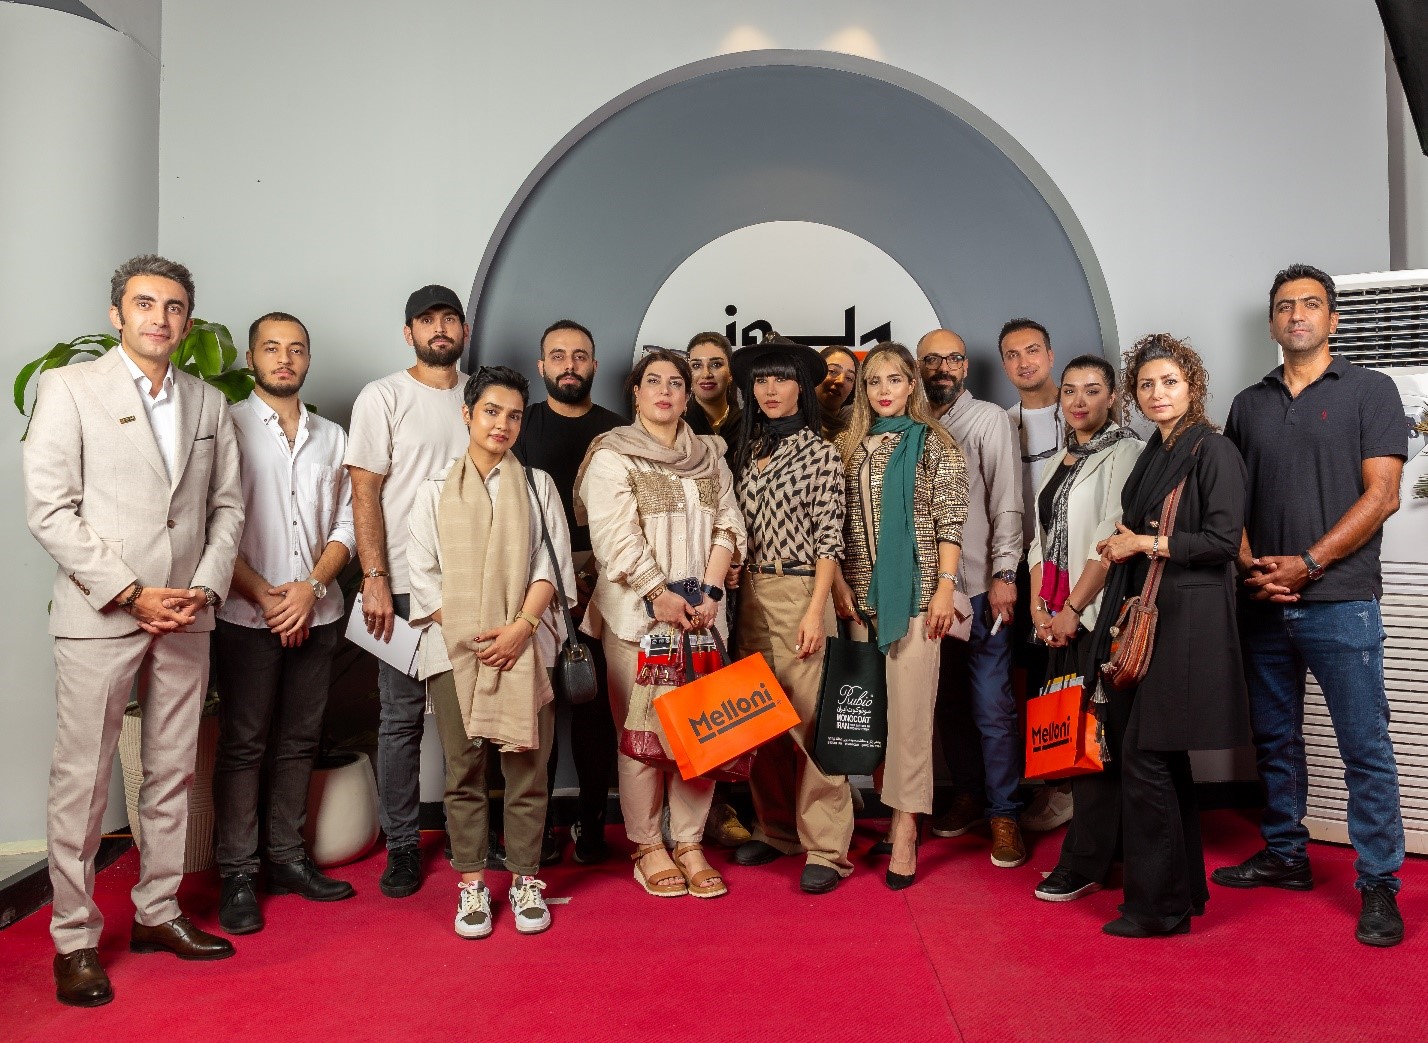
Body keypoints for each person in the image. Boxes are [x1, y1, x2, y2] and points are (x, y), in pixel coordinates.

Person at [24, 255, 244, 1006]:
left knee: (173, 770)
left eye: (174, 306)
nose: (160, 317)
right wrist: (129, 592)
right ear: (117, 314)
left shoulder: (208, 402)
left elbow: (227, 508)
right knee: (83, 781)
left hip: (186, 613)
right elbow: (49, 508)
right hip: (103, 614)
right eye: (145, 303)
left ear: (188, 321)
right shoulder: (69, 388)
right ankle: (75, 939)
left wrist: (203, 588)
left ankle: (157, 911)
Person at [1215, 264, 1408, 948]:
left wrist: (1310, 563)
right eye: (1284, 306)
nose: (1296, 314)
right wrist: (1250, 565)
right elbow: (1228, 498)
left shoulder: (1371, 390)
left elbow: (1383, 495)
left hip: (1340, 600)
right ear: (1273, 321)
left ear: (1332, 318)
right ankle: (1285, 853)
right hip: (1264, 601)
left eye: (1310, 304)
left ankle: (1380, 882)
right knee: (1275, 738)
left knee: (1365, 745)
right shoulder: (1248, 403)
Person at [406, 366, 576, 938]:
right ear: (468, 415)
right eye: (491, 412)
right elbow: (423, 576)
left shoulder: (537, 486)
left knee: (528, 770)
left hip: (526, 646)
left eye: (513, 415)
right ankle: (473, 884)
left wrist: (520, 629)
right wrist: (479, 637)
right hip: (454, 651)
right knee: (464, 771)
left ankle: (526, 878)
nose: (501, 424)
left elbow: (551, 566)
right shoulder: (433, 490)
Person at [1091, 334, 1249, 937]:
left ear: (1193, 386)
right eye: (1147, 384)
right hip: (1155, 615)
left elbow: (1221, 542)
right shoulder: (1158, 449)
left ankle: (1158, 909)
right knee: (1159, 755)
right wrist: (1124, 544)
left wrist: (1145, 543)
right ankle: (1182, 896)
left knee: (1146, 755)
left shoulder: (1214, 449)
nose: (1158, 394)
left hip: (1189, 622)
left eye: (1170, 382)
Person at [577, 349, 748, 898]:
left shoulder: (710, 454)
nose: (666, 391)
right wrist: (660, 594)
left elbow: (729, 522)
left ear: (688, 394)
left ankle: (690, 842)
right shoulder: (613, 455)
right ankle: (648, 846)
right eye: (654, 381)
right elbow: (614, 538)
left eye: (676, 382)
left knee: (702, 730)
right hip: (638, 619)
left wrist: (712, 591)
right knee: (642, 736)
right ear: (636, 392)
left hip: (703, 618)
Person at [213, 312, 357, 935]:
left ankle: (287, 859)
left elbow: (348, 522)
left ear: (307, 359)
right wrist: (269, 598)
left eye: (296, 349)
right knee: (244, 745)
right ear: (251, 359)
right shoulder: (226, 426)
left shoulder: (333, 437)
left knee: (300, 740)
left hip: (318, 611)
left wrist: (311, 589)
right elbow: (213, 525)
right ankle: (238, 873)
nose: (284, 359)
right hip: (247, 615)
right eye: (271, 348)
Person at [344, 284, 470, 899]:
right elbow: (363, 490)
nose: (439, 328)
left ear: (463, 330)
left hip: (469, 585)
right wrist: (374, 577)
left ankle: (472, 836)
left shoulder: (481, 396)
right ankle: (401, 845)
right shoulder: (383, 396)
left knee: (472, 716)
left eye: (449, 319)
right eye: (427, 320)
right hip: (398, 585)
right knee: (400, 719)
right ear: (409, 332)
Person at [831, 342, 969, 890]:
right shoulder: (848, 447)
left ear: (912, 385)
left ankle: (907, 827)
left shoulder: (935, 444)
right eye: (873, 381)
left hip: (915, 597)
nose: (883, 390)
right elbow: (833, 525)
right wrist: (840, 584)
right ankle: (889, 814)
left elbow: (950, 523)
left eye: (894, 379)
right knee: (872, 719)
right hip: (860, 600)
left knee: (911, 719)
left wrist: (944, 590)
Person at [724, 338, 855, 894]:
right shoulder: (746, 450)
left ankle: (826, 847)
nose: (770, 389)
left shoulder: (820, 453)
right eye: (761, 380)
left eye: (781, 378)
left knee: (812, 722)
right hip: (749, 594)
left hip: (800, 588)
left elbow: (830, 541)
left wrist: (816, 609)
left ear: (802, 386)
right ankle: (777, 830)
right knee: (762, 719)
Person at [1024, 356, 1140, 903]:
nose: (1078, 400)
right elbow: (1039, 541)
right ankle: (1107, 850)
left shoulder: (1126, 452)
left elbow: (1109, 537)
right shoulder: (1061, 458)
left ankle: (1084, 862)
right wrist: (1039, 608)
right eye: (1069, 390)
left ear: (1112, 397)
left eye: (1092, 390)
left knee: (1096, 741)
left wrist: (1072, 608)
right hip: (1056, 615)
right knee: (1074, 736)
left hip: (1094, 617)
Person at [512, 319, 624, 865]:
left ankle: (591, 822)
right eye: (557, 355)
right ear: (541, 366)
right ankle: (539, 830)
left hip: (605, 580)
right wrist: (549, 578)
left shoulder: (618, 431)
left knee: (595, 706)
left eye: (580, 355)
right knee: (540, 709)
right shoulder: (522, 426)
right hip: (534, 579)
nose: (569, 365)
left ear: (594, 365)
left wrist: (596, 576)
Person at [914, 329, 1027, 868]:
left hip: (980, 586)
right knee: (947, 702)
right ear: (918, 367)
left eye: (952, 359)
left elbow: (1007, 503)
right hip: (928, 593)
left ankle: (1005, 812)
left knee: (992, 705)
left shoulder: (988, 420)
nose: (942, 367)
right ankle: (969, 793)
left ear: (965, 367)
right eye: (931, 359)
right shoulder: (910, 422)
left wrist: (1005, 574)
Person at [999, 318, 1072, 833]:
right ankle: (1051, 783)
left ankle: (1069, 787)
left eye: (1032, 350)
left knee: (1070, 675)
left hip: (1074, 568)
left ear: (1050, 355)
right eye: (1012, 354)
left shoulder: (1080, 411)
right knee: (1031, 680)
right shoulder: (1001, 423)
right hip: (1022, 569)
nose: (1024, 362)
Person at [684, 331, 743, 443]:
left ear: (731, 373)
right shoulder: (675, 425)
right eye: (696, 365)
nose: (706, 374)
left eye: (716, 364)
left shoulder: (750, 427)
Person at [816, 345, 859, 441]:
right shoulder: (794, 422)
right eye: (832, 371)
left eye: (849, 378)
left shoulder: (860, 428)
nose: (841, 381)